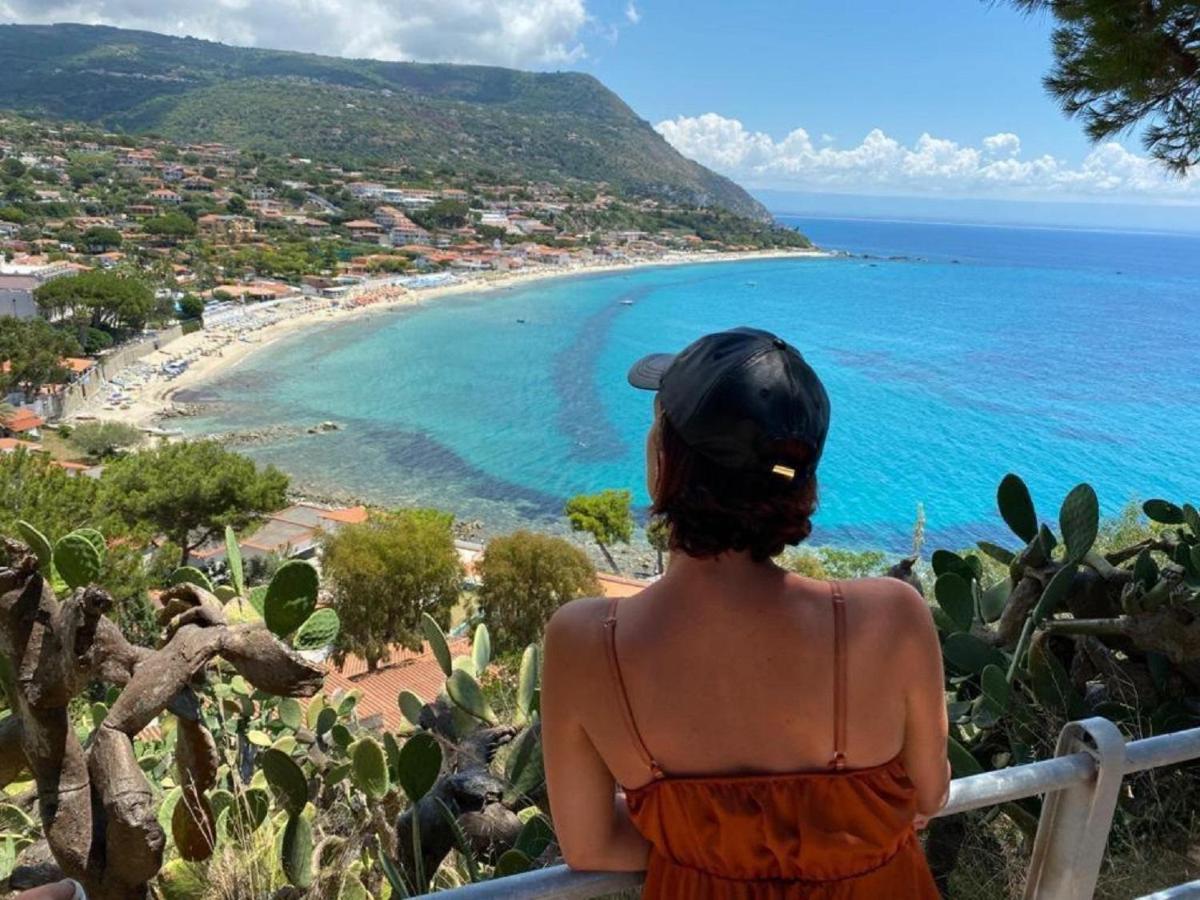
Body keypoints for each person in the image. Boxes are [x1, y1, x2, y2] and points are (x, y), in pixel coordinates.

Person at [543, 327, 949, 897]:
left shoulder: (585, 642)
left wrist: (709, 848)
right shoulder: (892, 618)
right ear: (799, 482)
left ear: (665, 461)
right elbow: (930, 797)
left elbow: (590, 846)